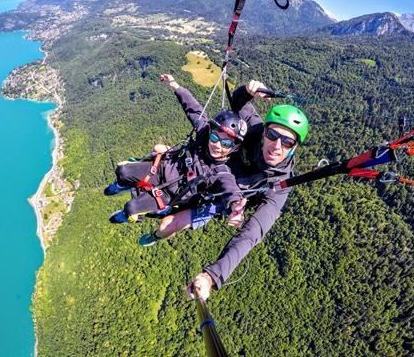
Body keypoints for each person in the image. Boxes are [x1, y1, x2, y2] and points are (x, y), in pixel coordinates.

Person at [187, 79, 309, 300]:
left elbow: (252, 233)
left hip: (222, 198)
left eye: (287, 142)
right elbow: (238, 102)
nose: (277, 145)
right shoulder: (255, 130)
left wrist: (212, 277)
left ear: (295, 147)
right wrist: (247, 90)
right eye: (272, 135)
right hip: (210, 169)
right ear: (264, 132)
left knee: (172, 223)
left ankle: (157, 232)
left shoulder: (280, 185)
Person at [104, 74, 247, 241]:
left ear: (235, 148)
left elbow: (230, 187)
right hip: (160, 168)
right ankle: (123, 185)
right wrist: (175, 86)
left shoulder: (220, 171)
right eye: (215, 138)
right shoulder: (203, 134)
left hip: (168, 195)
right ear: (210, 133)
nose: (217, 145)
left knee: (131, 207)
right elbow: (193, 109)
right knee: (122, 170)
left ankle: (126, 215)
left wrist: (235, 205)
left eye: (227, 144)